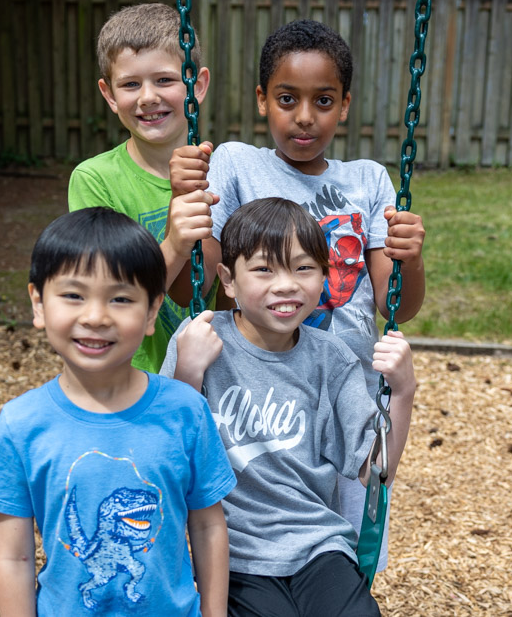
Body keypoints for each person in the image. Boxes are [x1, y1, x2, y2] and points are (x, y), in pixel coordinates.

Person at [169, 18, 426, 570]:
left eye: (323, 101)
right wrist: (187, 214)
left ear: (345, 105)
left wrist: (411, 254)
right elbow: (193, 285)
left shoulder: (370, 180)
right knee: (260, 544)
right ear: (263, 100)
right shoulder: (237, 164)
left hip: (348, 390)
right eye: (287, 99)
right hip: (261, 390)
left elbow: (395, 305)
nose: (305, 116)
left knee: (349, 546)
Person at [0, 207, 236, 617]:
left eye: (121, 299)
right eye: (73, 295)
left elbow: (208, 526)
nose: (95, 317)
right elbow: (13, 557)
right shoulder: (22, 423)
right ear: (38, 304)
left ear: (151, 313)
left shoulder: (185, 411)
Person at [160, 197, 417, 616]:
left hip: (318, 543)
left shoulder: (331, 358)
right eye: (263, 269)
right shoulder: (200, 339)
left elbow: (375, 472)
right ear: (227, 279)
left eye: (303, 268)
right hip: (231, 549)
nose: (286, 284)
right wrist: (189, 372)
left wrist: (403, 392)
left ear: (324, 279)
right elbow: (168, 453)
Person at [68, 3, 218, 373]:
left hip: (221, 374)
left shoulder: (226, 171)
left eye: (164, 80)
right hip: (134, 380)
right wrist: (173, 245)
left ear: (196, 85)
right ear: (109, 94)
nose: (148, 97)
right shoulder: (96, 180)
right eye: (131, 84)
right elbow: (105, 301)